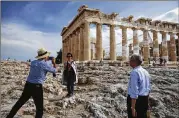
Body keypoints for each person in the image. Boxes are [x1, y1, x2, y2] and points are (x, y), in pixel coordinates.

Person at [6, 48, 57, 118]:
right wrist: (53, 62)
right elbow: (54, 71)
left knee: (20, 103)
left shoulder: (33, 62)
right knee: (39, 109)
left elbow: (41, 63)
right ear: (45, 56)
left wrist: (47, 60)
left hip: (28, 85)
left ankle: (9, 116)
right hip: (37, 87)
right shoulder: (44, 64)